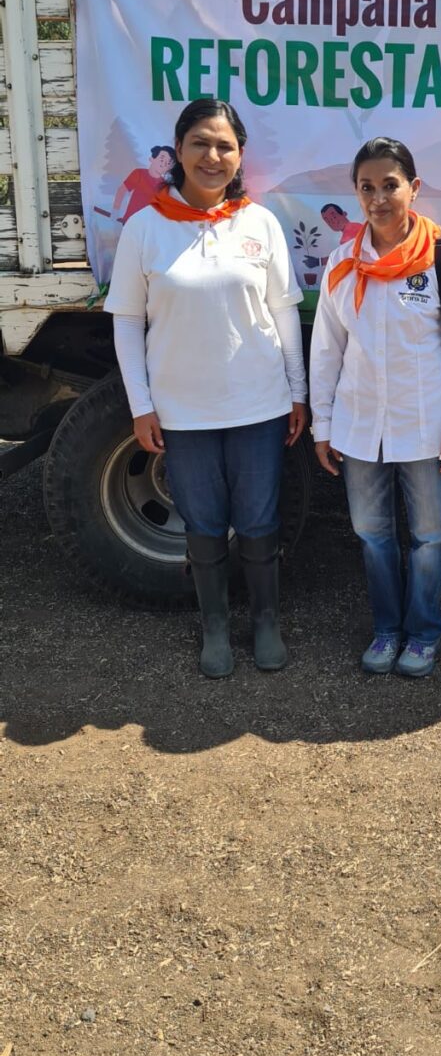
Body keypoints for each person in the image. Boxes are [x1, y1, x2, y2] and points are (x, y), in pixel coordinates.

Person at [105, 99, 308, 679]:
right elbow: (126, 320)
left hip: (259, 403)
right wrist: (141, 405)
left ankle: (265, 622)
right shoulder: (146, 226)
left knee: (260, 517)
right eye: (200, 143)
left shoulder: (259, 222)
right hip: (182, 409)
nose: (212, 156)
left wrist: (297, 392)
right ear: (179, 151)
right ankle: (215, 627)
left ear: (240, 155)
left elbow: (284, 311)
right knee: (202, 521)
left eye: (225, 145)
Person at [310, 137, 441, 677]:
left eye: (390, 185)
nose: (379, 198)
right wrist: (322, 425)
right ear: (356, 194)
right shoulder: (342, 264)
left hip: (426, 427)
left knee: (430, 536)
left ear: (414, 188)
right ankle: (387, 631)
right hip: (360, 426)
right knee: (372, 534)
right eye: (367, 187)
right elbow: (326, 350)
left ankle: (424, 633)